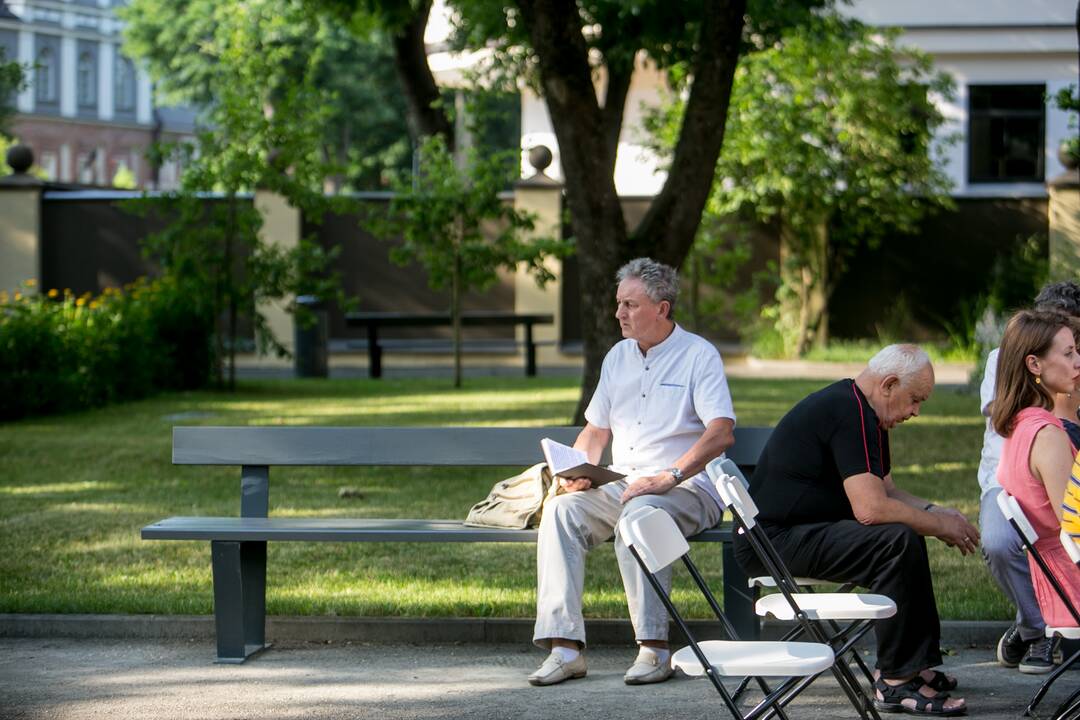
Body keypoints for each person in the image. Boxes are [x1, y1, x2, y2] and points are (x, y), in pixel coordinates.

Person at [733, 345, 976, 716]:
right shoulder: (848, 411)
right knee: (895, 541)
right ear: (890, 384)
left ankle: (915, 665)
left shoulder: (862, 409)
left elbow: (889, 491)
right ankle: (896, 681)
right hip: (772, 541)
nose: (916, 411)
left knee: (904, 533)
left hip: (793, 532)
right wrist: (939, 525)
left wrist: (936, 512)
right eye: (914, 400)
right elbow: (871, 509)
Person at [528, 257, 736, 687]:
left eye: (630, 305)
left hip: (686, 486)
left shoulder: (699, 355)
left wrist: (669, 476)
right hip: (623, 482)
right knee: (562, 513)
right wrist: (577, 470)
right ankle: (565, 648)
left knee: (639, 519)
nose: (619, 313)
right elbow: (596, 429)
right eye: (619, 303)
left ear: (662, 308)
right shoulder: (617, 357)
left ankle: (654, 650)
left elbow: (720, 434)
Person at [977, 281, 1080, 674]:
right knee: (1000, 542)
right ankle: (1035, 631)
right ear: (1034, 363)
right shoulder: (1047, 435)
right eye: (1068, 352)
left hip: (1059, 564)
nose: (1076, 360)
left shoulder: (1026, 424)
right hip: (1069, 579)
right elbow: (1073, 524)